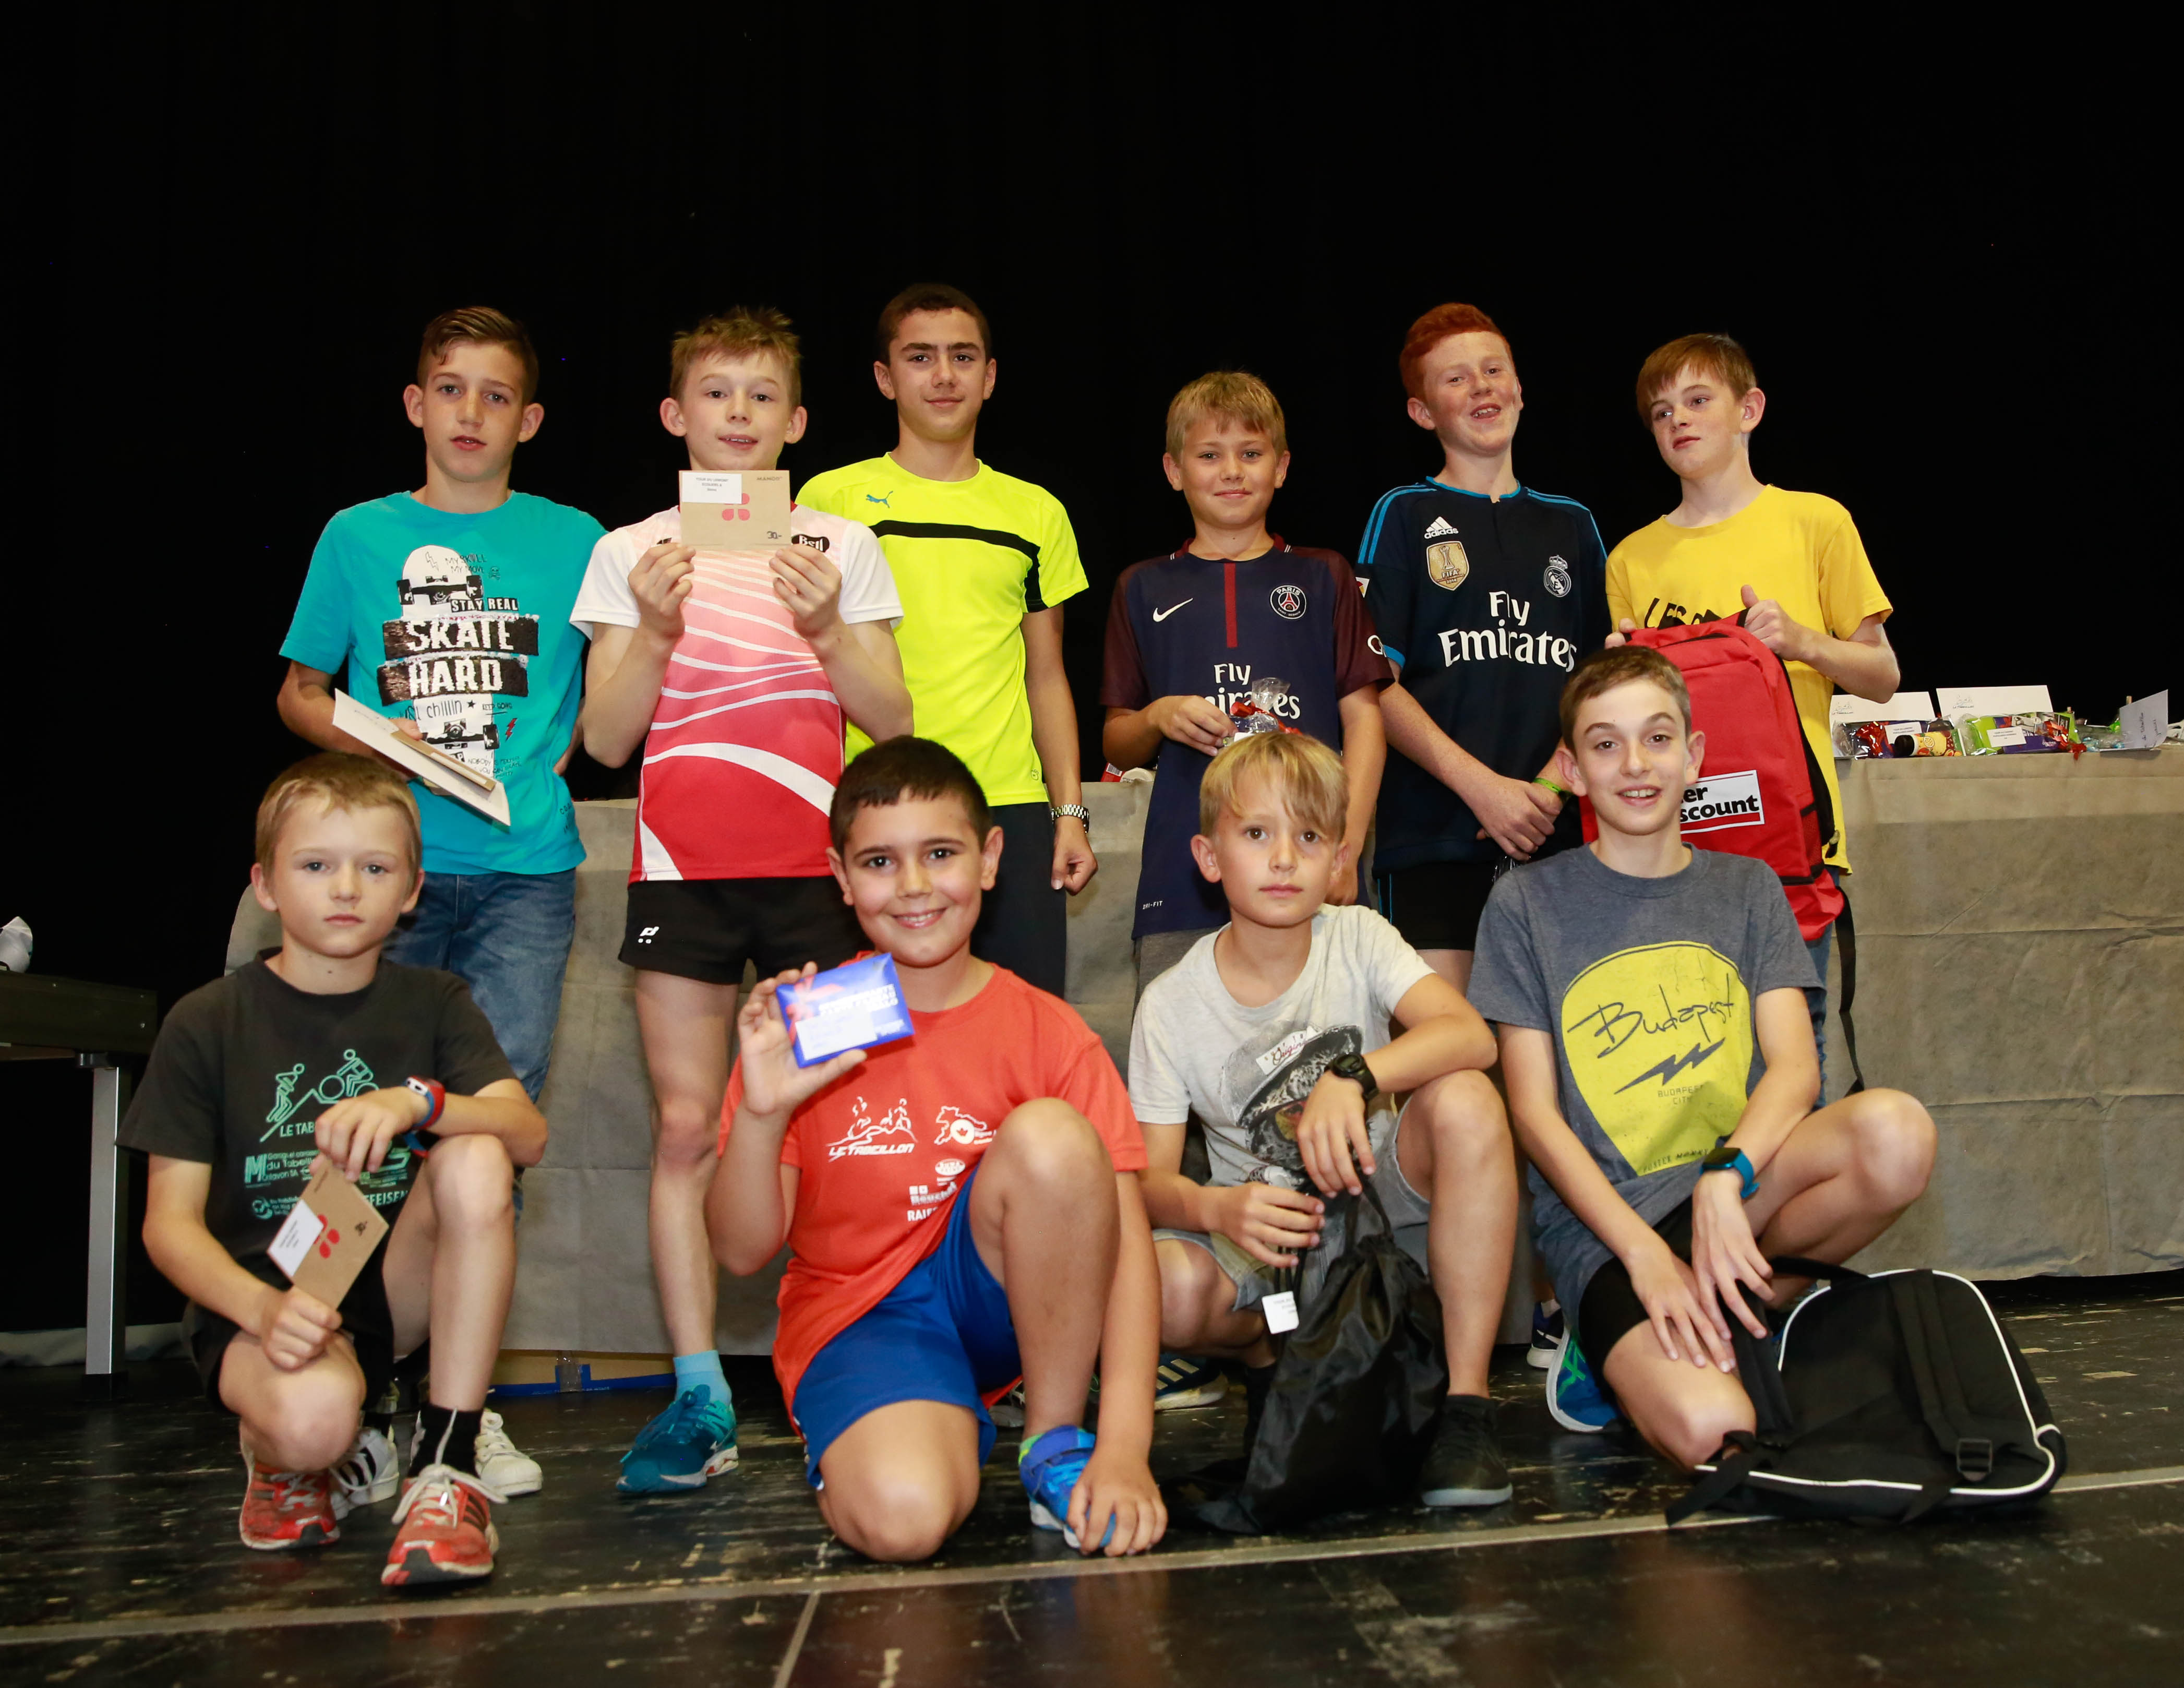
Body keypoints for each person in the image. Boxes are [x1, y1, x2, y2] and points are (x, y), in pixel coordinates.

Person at [570, 308, 911, 1494]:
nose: (738, 413)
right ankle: (699, 1392)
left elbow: (893, 721)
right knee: (687, 1128)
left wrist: (824, 625)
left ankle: (862, 1355)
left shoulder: (839, 545)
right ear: (676, 414)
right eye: (716, 392)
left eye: (762, 395)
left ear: (797, 421)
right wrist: (657, 628)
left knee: (847, 1118)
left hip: (820, 883)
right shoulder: (630, 551)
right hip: (683, 878)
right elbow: (604, 739)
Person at [1467, 648, 1935, 1466]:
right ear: (1571, 770)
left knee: (1897, 1134)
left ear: (1693, 756)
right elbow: (1533, 1114)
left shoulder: (1748, 888)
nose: (1634, 763)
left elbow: (1795, 1069)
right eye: (1605, 744)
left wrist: (1726, 1173)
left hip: (1735, 1193)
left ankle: (1733, 1312)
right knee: (1711, 1430)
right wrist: (1643, 1254)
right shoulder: (1524, 903)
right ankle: (1614, 1340)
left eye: (1656, 738)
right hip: (1612, 1226)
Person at [706, 737, 1166, 1563]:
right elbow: (741, 1252)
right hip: (862, 1312)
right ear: (842, 877)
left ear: (989, 859)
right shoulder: (807, 1023)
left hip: (995, 1302)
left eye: (941, 853)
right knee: (905, 1519)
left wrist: (1125, 1449)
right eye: (880, 861)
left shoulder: (1049, 1030)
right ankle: (905, 1419)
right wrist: (761, 1116)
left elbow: (1126, 1249)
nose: (914, 885)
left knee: (1054, 1136)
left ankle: (1053, 1439)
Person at [125, 756, 549, 1585]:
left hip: (390, 1291)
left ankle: (447, 1465)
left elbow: (527, 1133)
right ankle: (285, 1446)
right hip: (267, 1299)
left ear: (413, 889)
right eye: (317, 864)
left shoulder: (435, 1001)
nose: (347, 887)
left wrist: (417, 1102)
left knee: (475, 1150)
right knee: (314, 1423)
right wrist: (262, 1308)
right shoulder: (206, 1019)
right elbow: (167, 1225)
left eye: (376, 868)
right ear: (266, 885)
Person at [1129, 731, 1519, 1506]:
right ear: (1208, 857)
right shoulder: (1170, 1002)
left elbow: (1471, 1036)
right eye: (1256, 833)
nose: (1283, 859)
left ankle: (1466, 1411)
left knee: (1468, 1098)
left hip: (1382, 1215)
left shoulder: (1359, 936)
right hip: (1265, 1239)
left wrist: (1356, 1075)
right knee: (1159, 1281)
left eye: (1308, 837)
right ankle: (1267, 1358)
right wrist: (1215, 1209)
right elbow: (1145, 1181)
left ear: (1339, 859)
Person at [1357, 302, 1610, 1365]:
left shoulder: (1572, 526)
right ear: (1423, 409)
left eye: (1493, 369)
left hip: (1556, 839)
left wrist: (1543, 787)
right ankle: (1423, 1322)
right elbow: (1374, 681)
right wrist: (1480, 790)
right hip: (1434, 838)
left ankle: (1566, 1305)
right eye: (1455, 378)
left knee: (1570, 1076)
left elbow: (1600, 681)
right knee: (1449, 1078)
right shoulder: (1403, 514)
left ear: (1520, 386)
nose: (1481, 389)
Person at [275, 306, 603, 1103]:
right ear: (416, 403)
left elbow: (623, 676)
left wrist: (575, 733)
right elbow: (299, 692)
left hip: (525, 869)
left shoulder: (581, 540)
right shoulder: (356, 534)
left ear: (528, 421)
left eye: (497, 396)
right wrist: (372, 744)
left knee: (498, 1097)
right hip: (385, 858)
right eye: (451, 389)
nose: (471, 412)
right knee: (359, 1092)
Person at [1605, 331, 1900, 1068]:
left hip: (1789, 850)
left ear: (1750, 409)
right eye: (1661, 411)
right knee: (1683, 1071)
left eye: (1697, 400)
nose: (1678, 419)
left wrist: (1801, 640)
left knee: (1790, 1066)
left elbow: (1882, 675)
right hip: (1671, 850)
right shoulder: (1630, 558)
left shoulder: (1816, 521)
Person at [797, 285, 1094, 997]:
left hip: (1006, 804)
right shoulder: (828, 501)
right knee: (863, 1034)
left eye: (962, 358)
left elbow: (1047, 674)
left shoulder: (1036, 512)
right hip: (871, 801)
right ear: (884, 377)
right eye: (920, 357)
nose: (943, 375)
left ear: (988, 377)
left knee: (1022, 1028)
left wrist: (1069, 813)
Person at [1101, 370, 1391, 993]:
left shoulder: (1324, 576)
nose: (1232, 471)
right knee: (1180, 1044)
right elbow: (1116, 740)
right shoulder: (1141, 586)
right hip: (1183, 879)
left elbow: (1365, 720)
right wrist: (1157, 716)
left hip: (1309, 868)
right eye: (1209, 455)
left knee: (1331, 1041)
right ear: (1174, 470)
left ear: (1280, 467)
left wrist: (1346, 846)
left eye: (1251, 454)